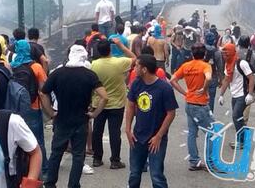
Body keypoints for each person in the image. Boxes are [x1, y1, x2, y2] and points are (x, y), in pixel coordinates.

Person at [41, 45, 108, 188]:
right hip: (81, 119)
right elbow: (104, 96)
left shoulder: (57, 73)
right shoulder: (89, 75)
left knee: (56, 153)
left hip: (61, 119)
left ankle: (50, 183)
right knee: (78, 156)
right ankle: (73, 184)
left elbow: (43, 93)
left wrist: (51, 112)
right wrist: (94, 114)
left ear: (70, 55)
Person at [126, 54, 179, 188]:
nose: (134, 68)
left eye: (137, 65)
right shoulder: (136, 84)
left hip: (156, 139)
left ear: (144, 69)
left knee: (156, 176)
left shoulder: (164, 88)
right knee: (134, 174)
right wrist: (127, 129)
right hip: (138, 137)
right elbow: (131, 106)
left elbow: (171, 113)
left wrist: (159, 136)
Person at [91, 38, 136, 169]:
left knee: (97, 131)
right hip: (117, 103)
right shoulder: (120, 62)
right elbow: (135, 58)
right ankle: (115, 160)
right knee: (114, 132)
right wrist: (121, 45)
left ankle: (97, 158)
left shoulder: (93, 65)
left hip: (98, 103)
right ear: (110, 50)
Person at [170, 43, 213, 171]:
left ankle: (194, 160)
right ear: (204, 54)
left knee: (192, 133)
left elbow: (172, 80)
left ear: (193, 54)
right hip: (200, 105)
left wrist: (185, 93)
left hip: (189, 103)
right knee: (213, 133)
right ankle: (210, 161)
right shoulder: (206, 66)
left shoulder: (186, 66)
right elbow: (209, 78)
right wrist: (204, 89)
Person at [11, 39, 49, 176]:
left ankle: (23, 169)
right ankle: (43, 170)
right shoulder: (36, 67)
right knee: (38, 140)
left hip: (17, 109)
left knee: (19, 140)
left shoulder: (12, 66)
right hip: (33, 107)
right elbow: (43, 88)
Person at [217, 36, 255, 149]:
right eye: (223, 54)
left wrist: (250, 94)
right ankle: (243, 138)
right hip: (234, 95)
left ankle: (241, 142)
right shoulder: (228, 64)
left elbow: (251, 78)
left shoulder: (242, 63)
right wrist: (221, 95)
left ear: (232, 53)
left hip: (243, 94)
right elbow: (227, 79)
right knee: (239, 117)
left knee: (236, 116)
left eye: (226, 54)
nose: (224, 56)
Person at [204, 32, 224, 112]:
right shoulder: (217, 52)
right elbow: (220, 67)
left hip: (202, 76)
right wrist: (221, 80)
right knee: (211, 98)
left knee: (200, 96)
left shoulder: (201, 49)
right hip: (213, 76)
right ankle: (209, 114)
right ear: (214, 40)